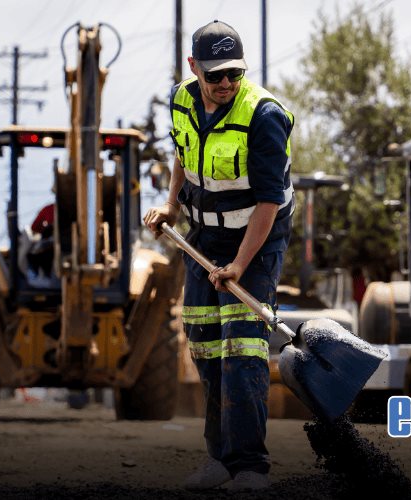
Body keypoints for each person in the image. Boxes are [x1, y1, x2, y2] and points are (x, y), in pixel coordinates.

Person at [143, 19, 295, 492]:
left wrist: (240, 267)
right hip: (203, 237)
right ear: (194, 69)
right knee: (206, 346)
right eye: (215, 75)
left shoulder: (264, 116)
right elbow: (183, 154)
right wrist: (171, 204)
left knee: (242, 350)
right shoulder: (182, 99)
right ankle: (219, 460)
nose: (226, 83)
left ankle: (251, 467)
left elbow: (269, 203)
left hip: (256, 240)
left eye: (233, 72)